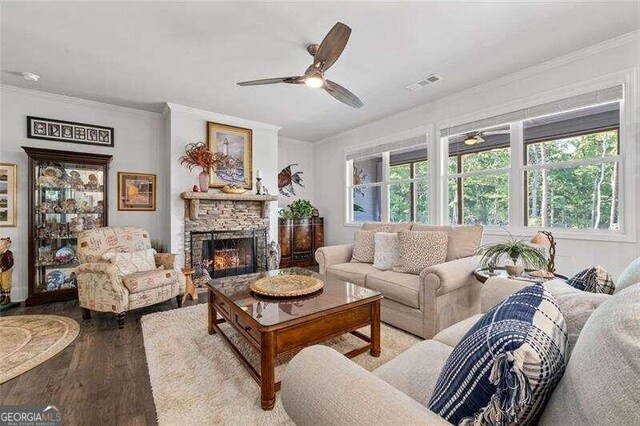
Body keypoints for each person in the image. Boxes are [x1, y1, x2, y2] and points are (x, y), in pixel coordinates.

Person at [0, 237, 14, 305]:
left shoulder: (8, 253)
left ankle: (7, 297)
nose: (0, 244)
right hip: (0, 271)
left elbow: (10, 263)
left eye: (1, 243)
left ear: (6, 245)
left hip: (6, 271)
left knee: (6, 283)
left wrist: (4, 268)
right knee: (1, 283)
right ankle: (2, 296)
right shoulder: (1, 253)